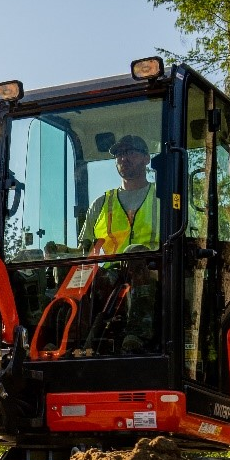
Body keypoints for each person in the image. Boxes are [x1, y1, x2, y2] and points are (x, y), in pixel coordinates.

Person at [77, 134, 158, 353]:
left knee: (135, 253)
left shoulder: (163, 198)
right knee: (86, 278)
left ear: (146, 159)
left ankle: (137, 334)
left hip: (154, 273)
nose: (123, 158)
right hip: (114, 273)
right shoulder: (102, 203)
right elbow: (85, 249)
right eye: (119, 154)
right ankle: (71, 341)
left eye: (129, 152)